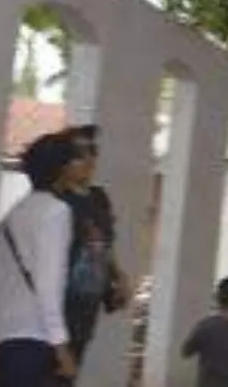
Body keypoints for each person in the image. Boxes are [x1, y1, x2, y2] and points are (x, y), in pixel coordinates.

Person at [0, 132, 83, 387]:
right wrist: (61, 345)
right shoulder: (56, 213)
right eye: (75, 160)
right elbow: (48, 285)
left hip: (3, 339)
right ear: (62, 169)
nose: (81, 165)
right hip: (34, 341)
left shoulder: (14, 213)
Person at [60, 124, 130, 371]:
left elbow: (106, 244)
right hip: (58, 307)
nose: (89, 159)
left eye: (93, 151)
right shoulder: (56, 200)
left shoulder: (99, 198)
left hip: (87, 305)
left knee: (71, 370)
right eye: (80, 154)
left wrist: (119, 276)